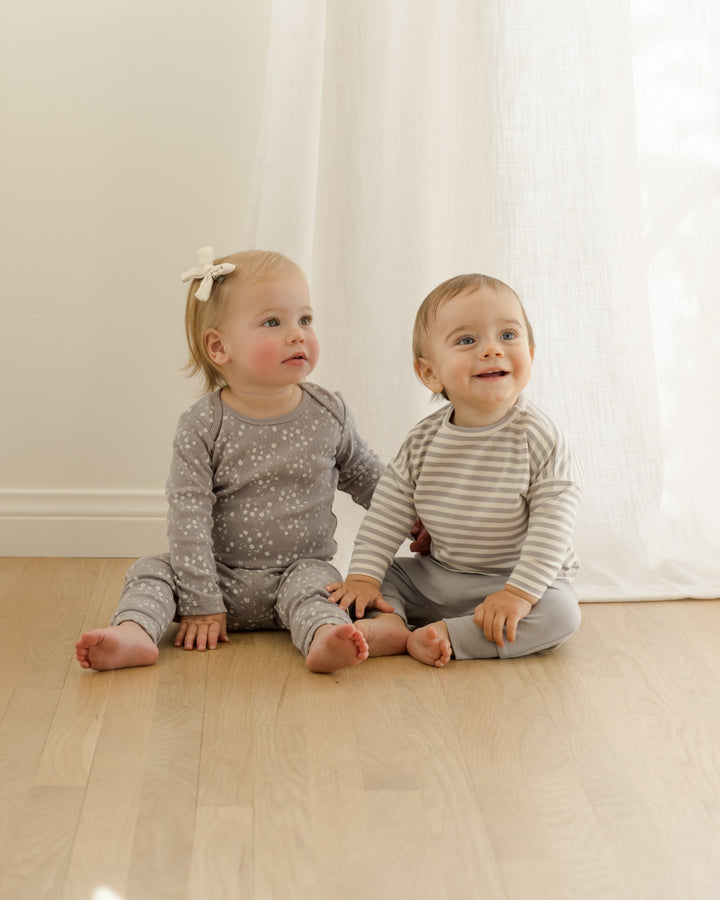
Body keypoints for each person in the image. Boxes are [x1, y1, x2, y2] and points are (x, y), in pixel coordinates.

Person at [76, 247, 398, 674]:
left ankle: (325, 636)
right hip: (218, 576)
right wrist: (201, 600)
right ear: (219, 347)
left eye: (305, 319)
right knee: (151, 571)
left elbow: (371, 480)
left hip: (298, 572)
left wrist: (418, 521)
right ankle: (134, 632)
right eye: (273, 322)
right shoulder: (202, 425)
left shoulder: (329, 413)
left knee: (322, 588)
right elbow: (188, 517)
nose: (297, 334)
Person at [327, 273, 583, 668]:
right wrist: (363, 577)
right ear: (430, 373)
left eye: (508, 335)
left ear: (530, 354)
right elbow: (387, 513)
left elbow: (553, 528)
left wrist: (518, 594)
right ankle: (390, 623)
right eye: (467, 340)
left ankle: (451, 635)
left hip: (517, 579)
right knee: (387, 576)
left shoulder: (540, 438)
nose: (492, 350)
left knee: (562, 614)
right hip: (440, 575)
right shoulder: (423, 440)